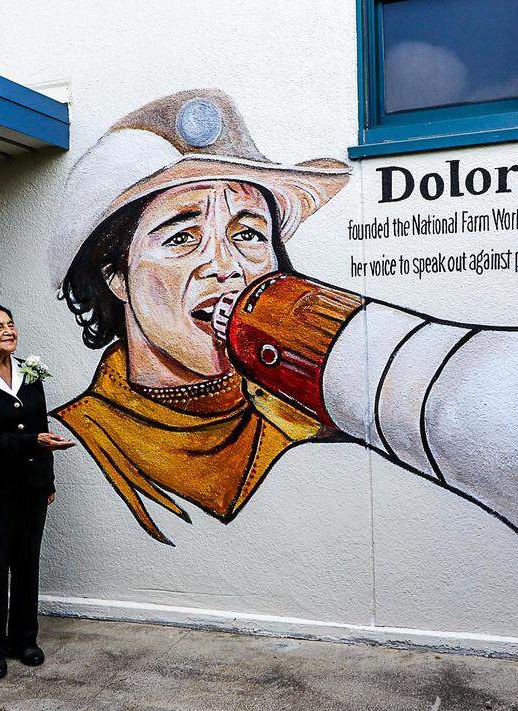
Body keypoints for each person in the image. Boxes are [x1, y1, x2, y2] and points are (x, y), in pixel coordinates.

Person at [49, 89, 350, 545]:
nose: (226, 266)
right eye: (182, 237)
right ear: (117, 279)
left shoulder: (315, 418)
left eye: (248, 233)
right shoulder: (84, 432)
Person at [0, 303, 74, 680]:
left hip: (30, 489)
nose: (8, 330)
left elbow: (42, 426)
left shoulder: (29, 372)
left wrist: (47, 480)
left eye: (10, 324)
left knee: (26, 565)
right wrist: (30, 442)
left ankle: (25, 639)